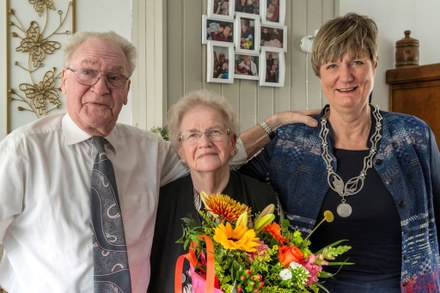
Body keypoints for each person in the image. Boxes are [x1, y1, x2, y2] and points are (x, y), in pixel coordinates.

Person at [0, 31, 318, 292]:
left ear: (126, 90)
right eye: (87, 72)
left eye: (114, 77)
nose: (100, 87)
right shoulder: (23, 151)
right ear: (64, 80)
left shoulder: (147, 150)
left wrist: (274, 123)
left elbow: (209, 154)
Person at [240, 13, 440, 292]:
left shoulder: (413, 136)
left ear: (374, 65)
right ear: (319, 73)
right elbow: (225, 175)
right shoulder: (291, 142)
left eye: (357, 62)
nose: (345, 76)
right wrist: (271, 123)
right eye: (332, 65)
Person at [148, 90, 281, 293]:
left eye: (215, 132)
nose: (204, 142)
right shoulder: (161, 202)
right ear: (180, 152)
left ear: (232, 142)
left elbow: (275, 272)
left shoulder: (261, 197)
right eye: (192, 135)